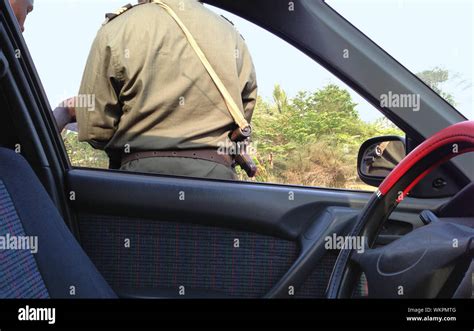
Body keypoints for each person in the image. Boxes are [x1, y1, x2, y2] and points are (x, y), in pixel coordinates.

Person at [58, 0, 258, 180]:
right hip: (218, 184)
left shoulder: (117, 29)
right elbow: (243, 113)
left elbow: (95, 129)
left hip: (139, 184)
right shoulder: (231, 35)